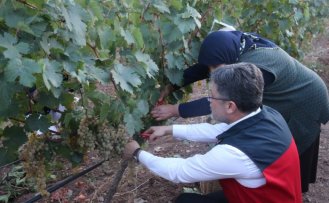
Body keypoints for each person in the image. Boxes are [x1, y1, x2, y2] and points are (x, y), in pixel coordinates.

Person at [151, 30, 329, 193]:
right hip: (291, 93)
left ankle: (285, 191)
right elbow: (209, 64)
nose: (212, 73)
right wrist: (171, 86)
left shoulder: (256, 67)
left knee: (284, 150)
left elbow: (221, 101)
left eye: (216, 68)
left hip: (306, 100)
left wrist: (176, 110)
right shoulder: (234, 47)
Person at [124, 63, 302, 203]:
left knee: (186, 201)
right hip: (273, 198)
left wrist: (137, 153)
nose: (209, 101)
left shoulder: (235, 154)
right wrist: (169, 130)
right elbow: (217, 131)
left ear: (230, 106)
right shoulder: (267, 115)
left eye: (212, 96)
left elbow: (179, 171)